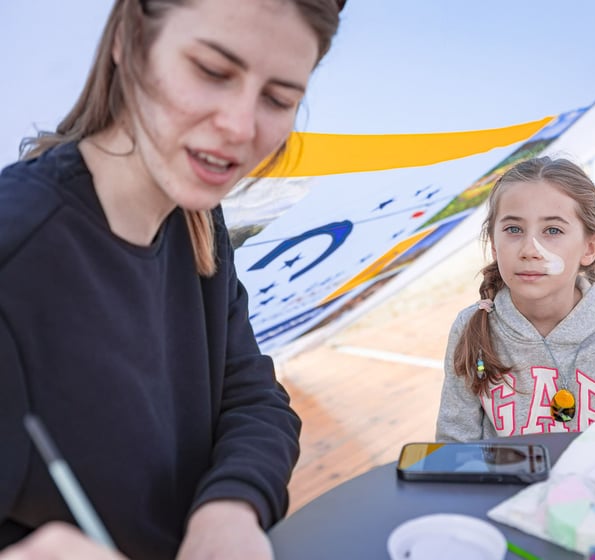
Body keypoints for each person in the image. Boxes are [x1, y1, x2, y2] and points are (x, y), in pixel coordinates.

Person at [0, 0, 342, 558]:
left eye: (279, 99)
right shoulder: (16, 252)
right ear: (128, 42)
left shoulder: (198, 219)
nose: (240, 126)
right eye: (211, 71)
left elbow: (252, 395)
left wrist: (230, 506)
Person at [435, 157, 595, 442]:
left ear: (589, 247)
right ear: (494, 244)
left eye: (552, 230)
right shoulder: (470, 325)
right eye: (514, 229)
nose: (530, 250)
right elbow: (454, 446)